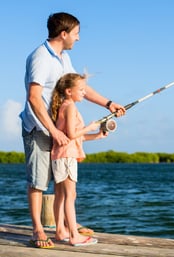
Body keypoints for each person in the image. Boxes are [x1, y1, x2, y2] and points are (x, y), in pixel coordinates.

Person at [19, 12, 125, 248]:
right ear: (64, 33)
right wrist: (54, 132)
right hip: (38, 128)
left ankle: (62, 228)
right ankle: (37, 230)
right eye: (76, 33)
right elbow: (34, 98)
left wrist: (109, 103)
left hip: (59, 130)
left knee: (59, 182)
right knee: (37, 181)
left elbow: (80, 89)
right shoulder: (40, 58)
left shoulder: (63, 59)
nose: (78, 39)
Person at [51, 73, 105, 246]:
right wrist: (89, 127)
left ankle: (60, 232)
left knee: (60, 195)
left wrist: (95, 135)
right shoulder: (70, 107)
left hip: (61, 154)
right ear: (69, 91)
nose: (84, 93)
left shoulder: (65, 105)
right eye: (81, 90)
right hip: (67, 156)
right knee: (69, 196)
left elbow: (72, 136)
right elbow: (72, 134)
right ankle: (74, 235)